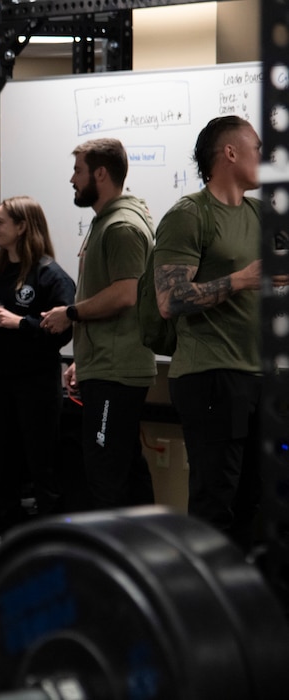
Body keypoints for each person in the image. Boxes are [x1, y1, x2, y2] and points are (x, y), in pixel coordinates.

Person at [153, 116, 286, 549]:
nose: (264, 158)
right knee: (217, 502)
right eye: (257, 147)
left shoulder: (262, 214)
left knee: (256, 500)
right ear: (230, 153)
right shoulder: (189, 215)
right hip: (210, 375)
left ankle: (242, 602)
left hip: (260, 375)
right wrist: (240, 280)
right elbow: (169, 301)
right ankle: (205, 606)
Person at [40, 137, 156, 509]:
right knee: (127, 470)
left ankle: (111, 564)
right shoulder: (105, 222)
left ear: (101, 174)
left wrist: (70, 313)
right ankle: (145, 554)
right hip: (104, 367)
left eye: (78, 171)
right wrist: (82, 359)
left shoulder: (121, 227)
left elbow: (126, 293)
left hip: (116, 373)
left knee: (106, 475)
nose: (72, 179)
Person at [0, 196, 75, 534]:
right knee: (0, 468)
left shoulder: (49, 275)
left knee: (43, 469)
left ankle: (52, 547)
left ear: (22, 227)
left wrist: (20, 323)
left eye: (0, 221)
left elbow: (62, 330)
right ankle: (7, 546)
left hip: (35, 384)